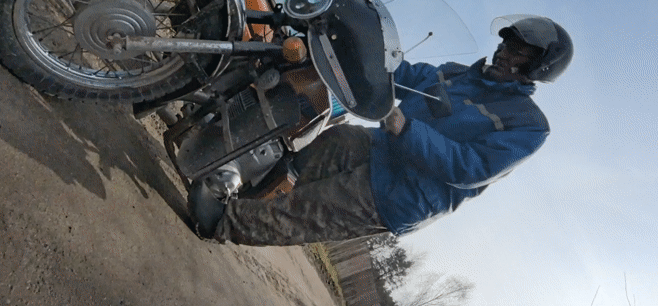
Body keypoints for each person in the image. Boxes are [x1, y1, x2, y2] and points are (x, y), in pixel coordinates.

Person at [190, 15, 573, 246]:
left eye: (520, 51)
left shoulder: (528, 124)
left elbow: (470, 168)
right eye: (508, 43)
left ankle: (219, 222)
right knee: (325, 142)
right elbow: (400, 75)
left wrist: (405, 127)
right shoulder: (459, 73)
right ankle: (245, 189)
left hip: (403, 192)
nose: (506, 52)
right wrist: (355, 44)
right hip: (378, 147)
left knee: (310, 209)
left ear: (540, 66)